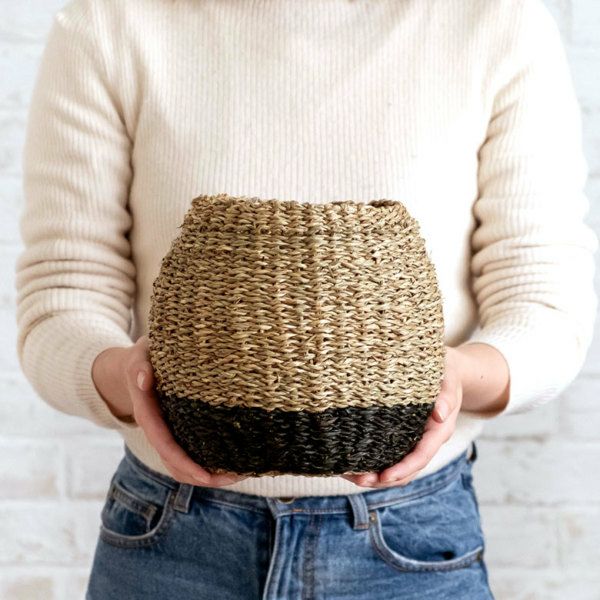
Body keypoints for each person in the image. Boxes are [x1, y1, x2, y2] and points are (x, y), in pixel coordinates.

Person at [15, 0, 597, 598]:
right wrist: (130, 382)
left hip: (407, 544)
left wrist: (451, 379)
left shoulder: (496, 23)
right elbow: (63, 295)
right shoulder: (109, 23)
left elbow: (545, 302)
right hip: (173, 542)